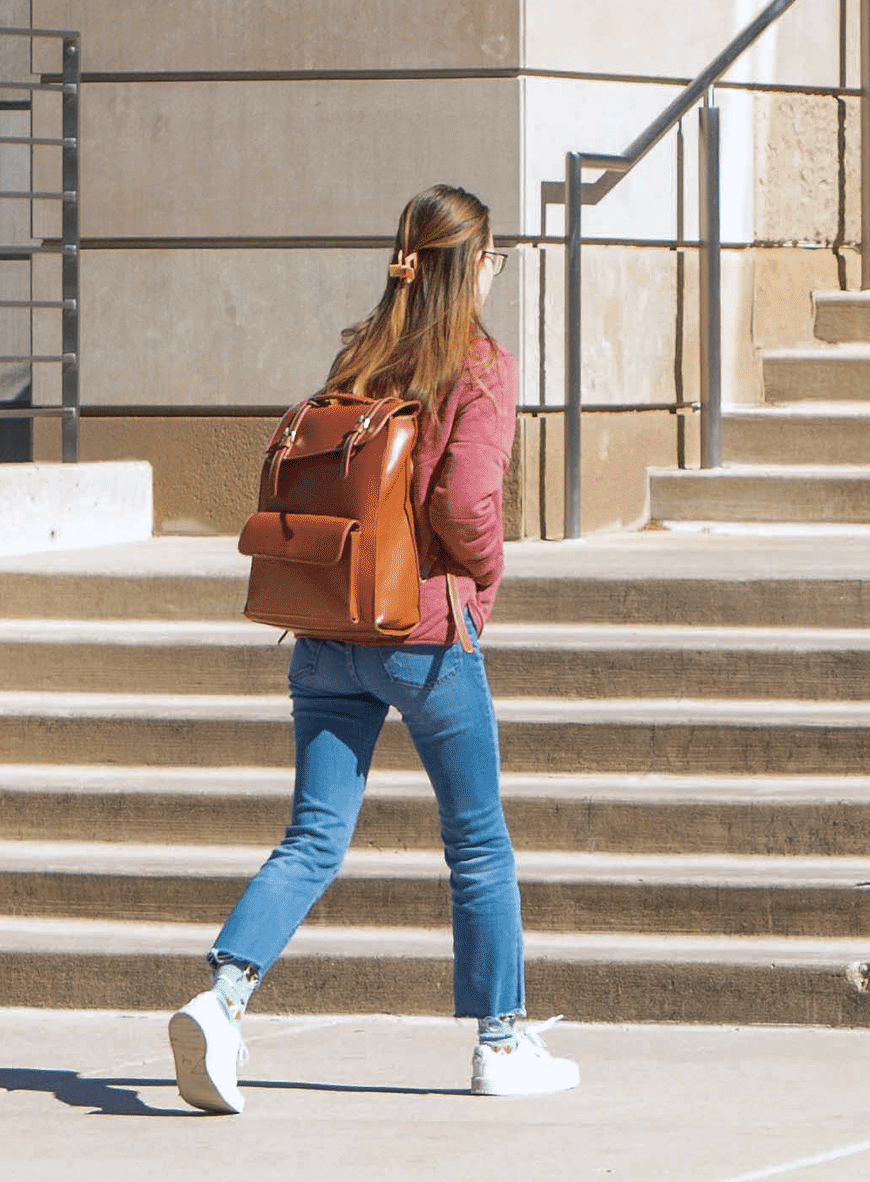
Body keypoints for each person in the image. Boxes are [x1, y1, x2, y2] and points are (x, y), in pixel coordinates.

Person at [169, 185, 579, 1112]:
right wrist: (485, 577)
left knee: (313, 836)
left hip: (326, 625)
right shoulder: (477, 364)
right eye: (493, 260)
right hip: (425, 635)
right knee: (478, 842)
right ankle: (501, 1041)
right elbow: (464, 503)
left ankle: (222, 997)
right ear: (471, 265)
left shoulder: (358, 355)